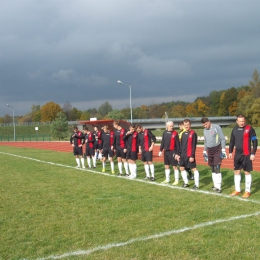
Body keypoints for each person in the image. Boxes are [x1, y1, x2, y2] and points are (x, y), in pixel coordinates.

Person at [228, 114, 258, 198]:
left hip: (247, 154)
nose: (242, 123)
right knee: (236, 172)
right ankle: (237, 190)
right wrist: (230, 152)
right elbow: (231, 142)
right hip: (237, 155)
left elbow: (255, 141)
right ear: (237, 121)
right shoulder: (234, 130)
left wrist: (253, 153)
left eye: (243, 121)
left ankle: (247, 191)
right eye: (240, 121)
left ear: (245, 121)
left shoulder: (249, 129)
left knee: (247, 172)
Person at [201, 117, 227, 193]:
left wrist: (223, 149)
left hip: (217, 149)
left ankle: (219, 187)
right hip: (210, 150)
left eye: (206, 124)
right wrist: (204, 150)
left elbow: (222, 138)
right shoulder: (204, 130)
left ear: (209, 122)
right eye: (203, 125)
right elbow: (205, 141)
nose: (205, 126)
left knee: (217, 167)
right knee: (212, 167)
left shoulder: (217, 127)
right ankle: (215, 185)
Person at [176, 119, 200, 189]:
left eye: (188, 125)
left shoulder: (193, 134)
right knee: (181, 168)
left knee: (194, 168)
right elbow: (181, 145)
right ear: (183, 125)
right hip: (183, 154)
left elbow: (193, 146)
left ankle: (196, 185)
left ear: (190, 125)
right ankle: (186, 183)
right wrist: (179, 154)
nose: (186, 126)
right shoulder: (183, 134)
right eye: (185, 125)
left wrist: (192, 156)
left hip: (189, 155)